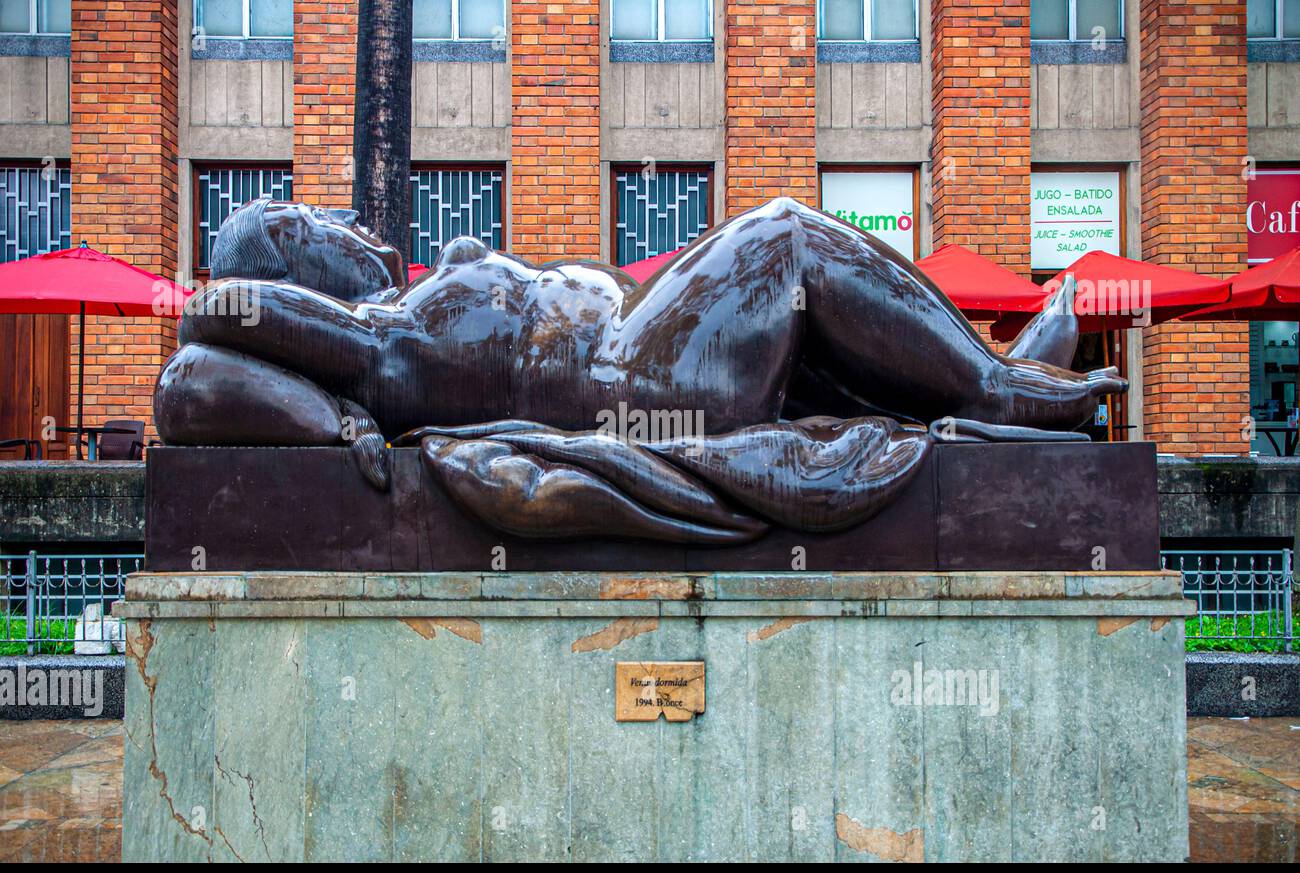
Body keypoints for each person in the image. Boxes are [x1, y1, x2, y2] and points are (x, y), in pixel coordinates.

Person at [157, 196, 1124, 497]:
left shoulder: (394, 325)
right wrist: (330, 418)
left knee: (793, 270)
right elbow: (200, 343)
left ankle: (987, 381)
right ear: (290, 269)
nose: (344, 222)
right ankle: (1000, 389)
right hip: (645, 379)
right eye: (307, 223)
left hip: (652, 351)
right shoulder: (376, 338)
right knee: (785, 237)